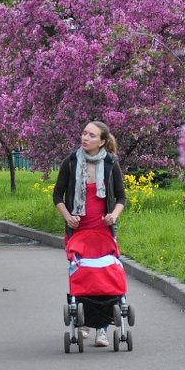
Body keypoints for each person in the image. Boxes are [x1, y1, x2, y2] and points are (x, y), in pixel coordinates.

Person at [52, 121, 127, 347]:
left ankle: (102, 330)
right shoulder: (71, 162)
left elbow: (122, 198)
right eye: (84, 133)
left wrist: (113, 215)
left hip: (103, 230)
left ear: (102, 141)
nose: (85, 137)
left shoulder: (111, 163)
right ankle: (82, 321)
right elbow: (57, 196)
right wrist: (67, 217)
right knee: (83, 275)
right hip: (79, 231)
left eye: (91, 135)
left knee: (104, 275)